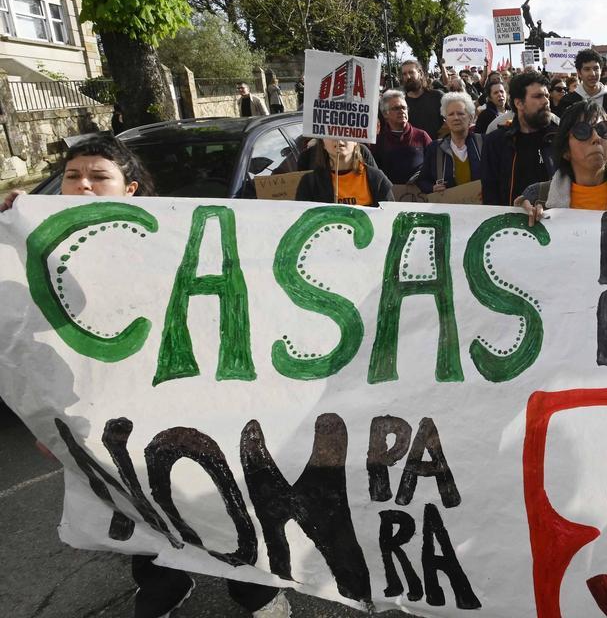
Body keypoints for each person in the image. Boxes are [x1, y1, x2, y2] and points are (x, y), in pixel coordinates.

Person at [0, 138, 291, 618]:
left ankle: (254, 588)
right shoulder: (37, 249)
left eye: (99, 177)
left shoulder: (167, 243)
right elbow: (24, 345)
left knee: (219, 497)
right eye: (72, 177)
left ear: (130, 189)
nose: (83, 186)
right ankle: (162, 585)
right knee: (131, 500)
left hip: (187, 405)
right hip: (99, 416)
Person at [516, 99, 607, 225]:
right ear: (565, 150)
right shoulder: (537, 197)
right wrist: (519, 216)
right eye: (582, 131)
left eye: (604, 129)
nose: (596, 138)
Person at [480, 71, 558, 206]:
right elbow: (490, 194)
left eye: (546, 95)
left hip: (552, 221)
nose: (546, 101)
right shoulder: (496, 142)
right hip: (510, 223)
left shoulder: (559, 138)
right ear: (519, 103)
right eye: (538, 96)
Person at [417, 92, 484, 194]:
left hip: (480, 207)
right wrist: (432, 188)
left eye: (460, 113)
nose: (456, 118)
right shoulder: (435, 148)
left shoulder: (484, 143)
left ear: (471, 117)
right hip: (447, 207)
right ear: (446, 120)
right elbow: (422, 180)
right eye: (451, 114)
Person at [296, 137, 394, 206]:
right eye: (331, 132)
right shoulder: (309, 183)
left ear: (356, 141)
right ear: (323, 143)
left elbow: (390, 219)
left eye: (346, 133)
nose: (338, 138)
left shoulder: (377, 179)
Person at [369, 89, 431, 188]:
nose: (401, 111)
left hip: (419, 197)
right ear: (385, 114)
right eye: (396, 108)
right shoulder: (378, 140)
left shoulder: (421, 136)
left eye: (404, 108)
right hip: (390, 196)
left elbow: (433, 164)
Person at [559, 48, 607, 121]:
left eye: (596, 68)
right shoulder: (568, 102)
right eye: (587, 69)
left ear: (601, 70)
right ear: (579, 72)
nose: (592, 74)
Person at [399, 60, 445, 138]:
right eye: (404, 74)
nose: (408, 77)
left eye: (411, 72)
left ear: (420, 73)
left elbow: (452, 117)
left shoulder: (437, 96)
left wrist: (441, 139)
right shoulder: (401, 102)